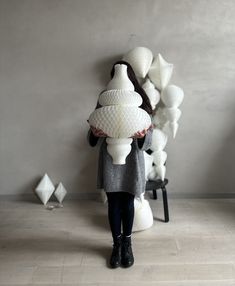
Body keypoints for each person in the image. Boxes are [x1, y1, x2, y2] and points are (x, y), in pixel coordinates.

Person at [87, 60, 153, 268]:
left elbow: (149, 139)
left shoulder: (139, 101)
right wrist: (94, 133)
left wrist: (142, 136)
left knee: (127, 202)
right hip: (110, 159)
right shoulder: (106, 99)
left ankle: (128, 243)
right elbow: (92, 132)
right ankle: (116, 245)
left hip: (132, 159)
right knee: (114, 203)